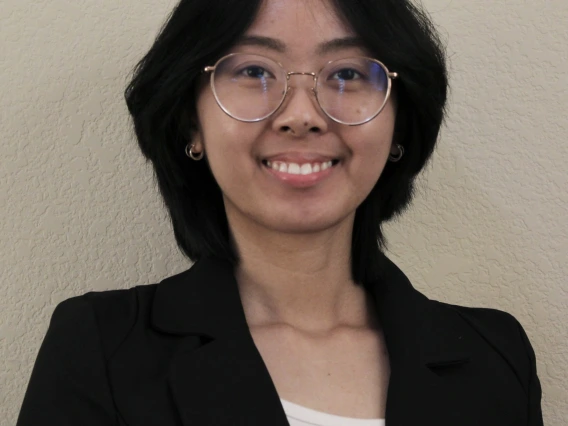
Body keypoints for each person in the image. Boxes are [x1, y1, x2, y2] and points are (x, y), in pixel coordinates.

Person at [16, 0, 544, 425]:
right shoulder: (100, 348)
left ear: (399, 125)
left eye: (349, 73)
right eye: (252, 70)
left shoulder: (496, 358)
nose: (301, 115)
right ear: (191, 125)